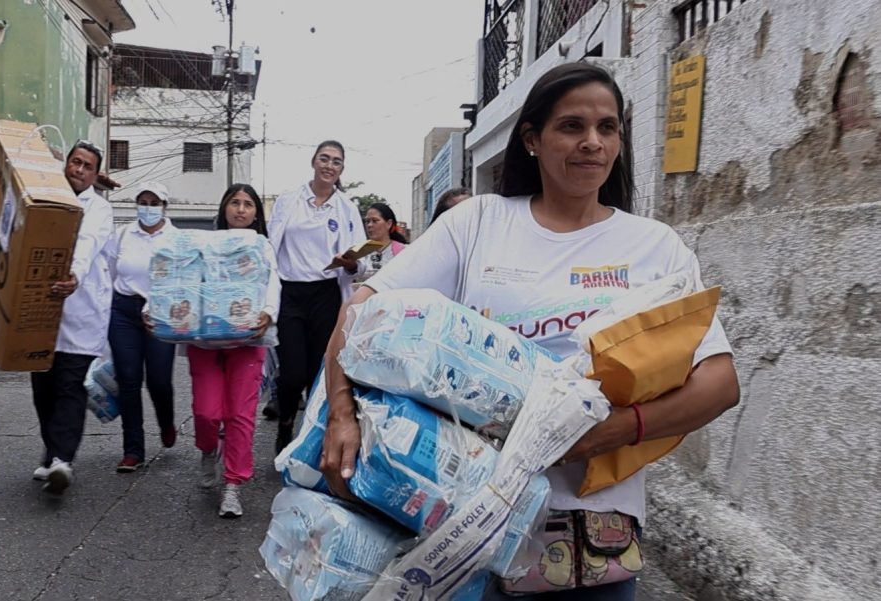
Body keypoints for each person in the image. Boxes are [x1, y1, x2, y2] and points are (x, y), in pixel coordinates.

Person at [318, 63, 740, 600]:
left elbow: (720, 383)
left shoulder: (655, 248)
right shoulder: (477, 224)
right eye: (572, 127)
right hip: (463, 520)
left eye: (607, 128)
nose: (592, 143)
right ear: (532, 140)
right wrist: (341, 415)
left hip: (588, 541)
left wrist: (612, 431)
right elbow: (360, 310)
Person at [187, 183, 280, 518]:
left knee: (240, 416)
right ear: (224, 207)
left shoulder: (262, 246)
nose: (241, 209)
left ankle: (233, 485)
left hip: (248, 340)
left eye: (248, 204)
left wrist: (268, 312)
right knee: (207, 412)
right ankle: (208, 448)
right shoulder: (202, 245)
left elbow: (273, 282)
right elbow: (180, 282)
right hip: (205, 340)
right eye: (235, 202)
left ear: (256, 213)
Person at [265, 140, 365, 450]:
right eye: (324, 158)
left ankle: (309, 441)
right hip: (290, 293)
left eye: (336, 161)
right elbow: (271, 246)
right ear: (313, 161)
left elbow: (358, 264)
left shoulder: (347, 208)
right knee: (292, 373)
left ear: (341, 169)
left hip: (326, 294)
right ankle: (285, 425)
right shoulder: (288, 200)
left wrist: (350, 263)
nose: (329, 166)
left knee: (317, 374)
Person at [31, 140, 115, 494]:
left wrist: (75, 276)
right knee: (43, 389)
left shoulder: (98, 209)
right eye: (75, 162)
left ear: (95, 175)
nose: (79, 170)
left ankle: (64, 458)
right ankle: (51, 451)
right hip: (41, 311)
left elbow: (87, 242)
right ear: (66, 165)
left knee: (69, 385)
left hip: (81, 309)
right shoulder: (43, 200)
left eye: (87, 166)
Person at [105, 182, 178, 473]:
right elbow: (109, 272)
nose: (148, 207)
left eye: (154, 202)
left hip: (161, 312)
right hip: (123, 311)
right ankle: (133, 450)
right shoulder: (123, 235)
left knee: (159, 380)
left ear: (164, 206)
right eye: (143, 202)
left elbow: (181, 280)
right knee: (128, 379)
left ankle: (166, 421)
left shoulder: (176, 238)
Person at [354, 202, 408, 284]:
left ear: (389, 224)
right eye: (367, 221)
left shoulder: (403, 251)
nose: (369, 225)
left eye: (375, 221)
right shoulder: (359, 251)